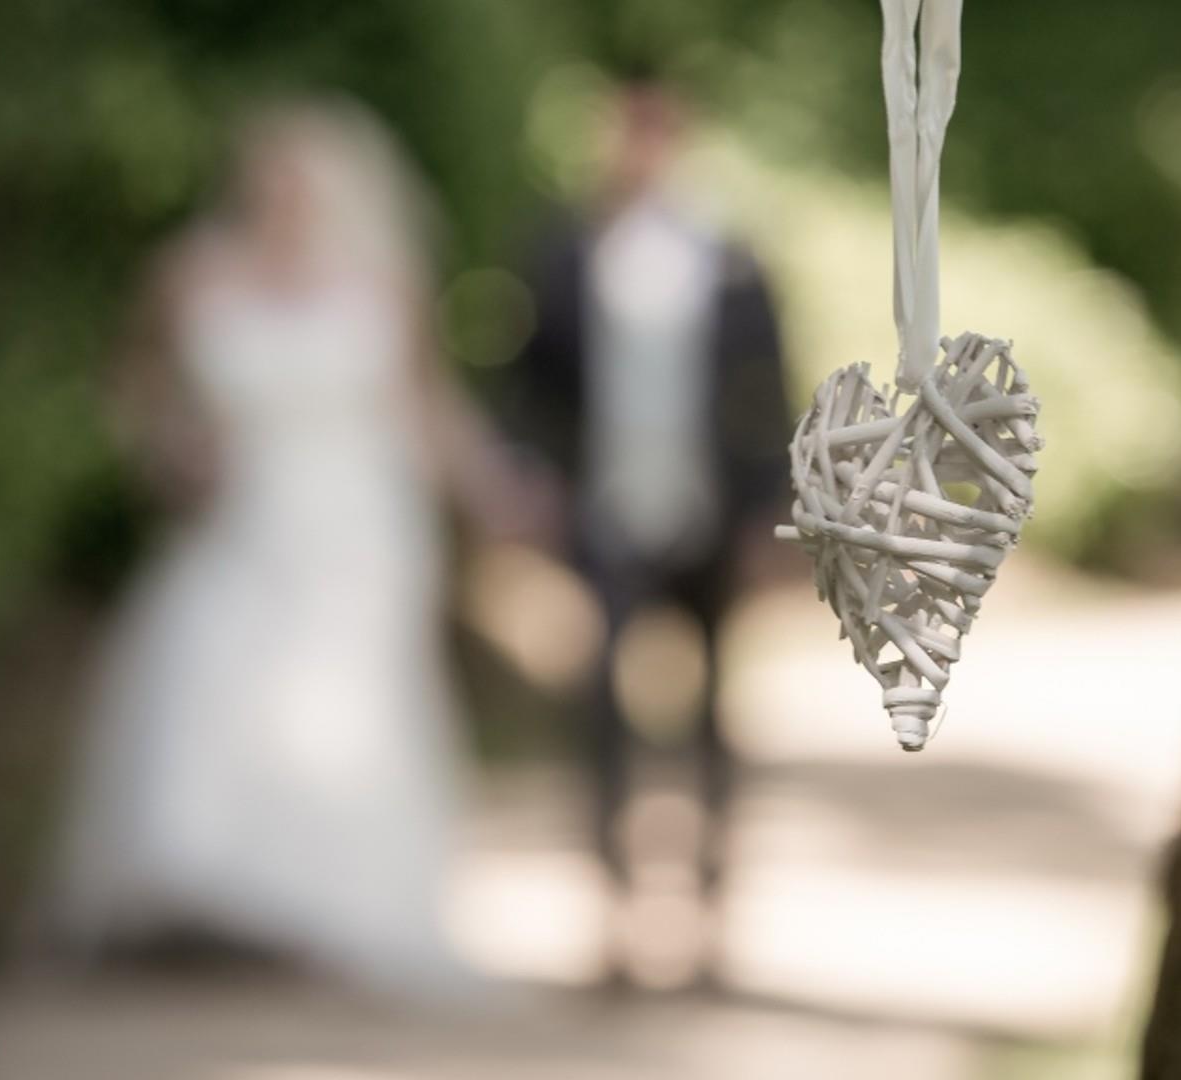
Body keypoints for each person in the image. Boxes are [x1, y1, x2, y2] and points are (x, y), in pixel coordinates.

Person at [49, 98, 521, 997]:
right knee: (203, 667)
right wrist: (170, 449)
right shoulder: (190, 273)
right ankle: (217, 898)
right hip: (245, 519)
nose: (284, 198)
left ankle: (332, 906)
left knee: (354, 709)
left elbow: (427, 409)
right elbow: (137, 386)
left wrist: (493, 493)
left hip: (361, 528)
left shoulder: (381, 279)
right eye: (269, 178)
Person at [507, 73, 792, 980]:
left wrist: (771, 508)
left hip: (708, 511)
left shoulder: (730, 254)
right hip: (607, 511)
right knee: (601, 711)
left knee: (713, 713)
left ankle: (711, 912)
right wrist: (538, 484)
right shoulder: (561, 253)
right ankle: (617, 913)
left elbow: (772, 390)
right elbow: (527, 385)